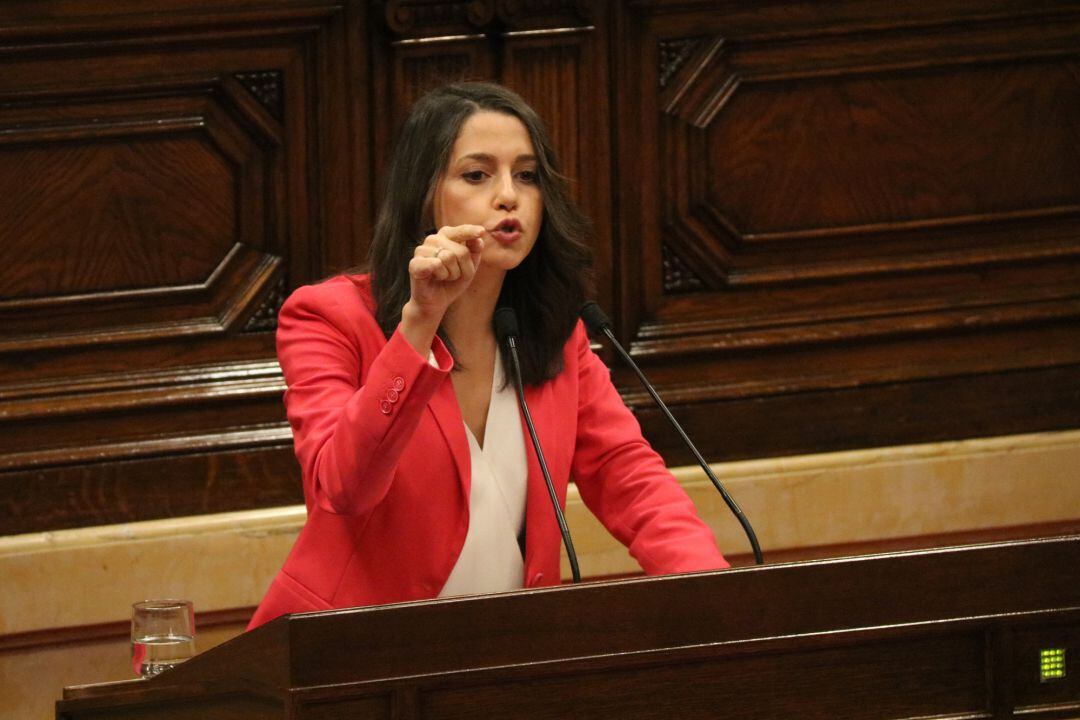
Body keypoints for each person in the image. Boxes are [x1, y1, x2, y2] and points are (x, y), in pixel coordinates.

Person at [247, 82, 727, 629]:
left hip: (499, 663)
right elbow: (343, 489)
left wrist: (717, 597)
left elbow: (629, 478)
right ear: (423, 193)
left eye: (526, 176)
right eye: (477, 175)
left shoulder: (553, 332)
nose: (508, 196)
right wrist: (419, 326)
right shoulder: (329, 317)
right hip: (352, 662)